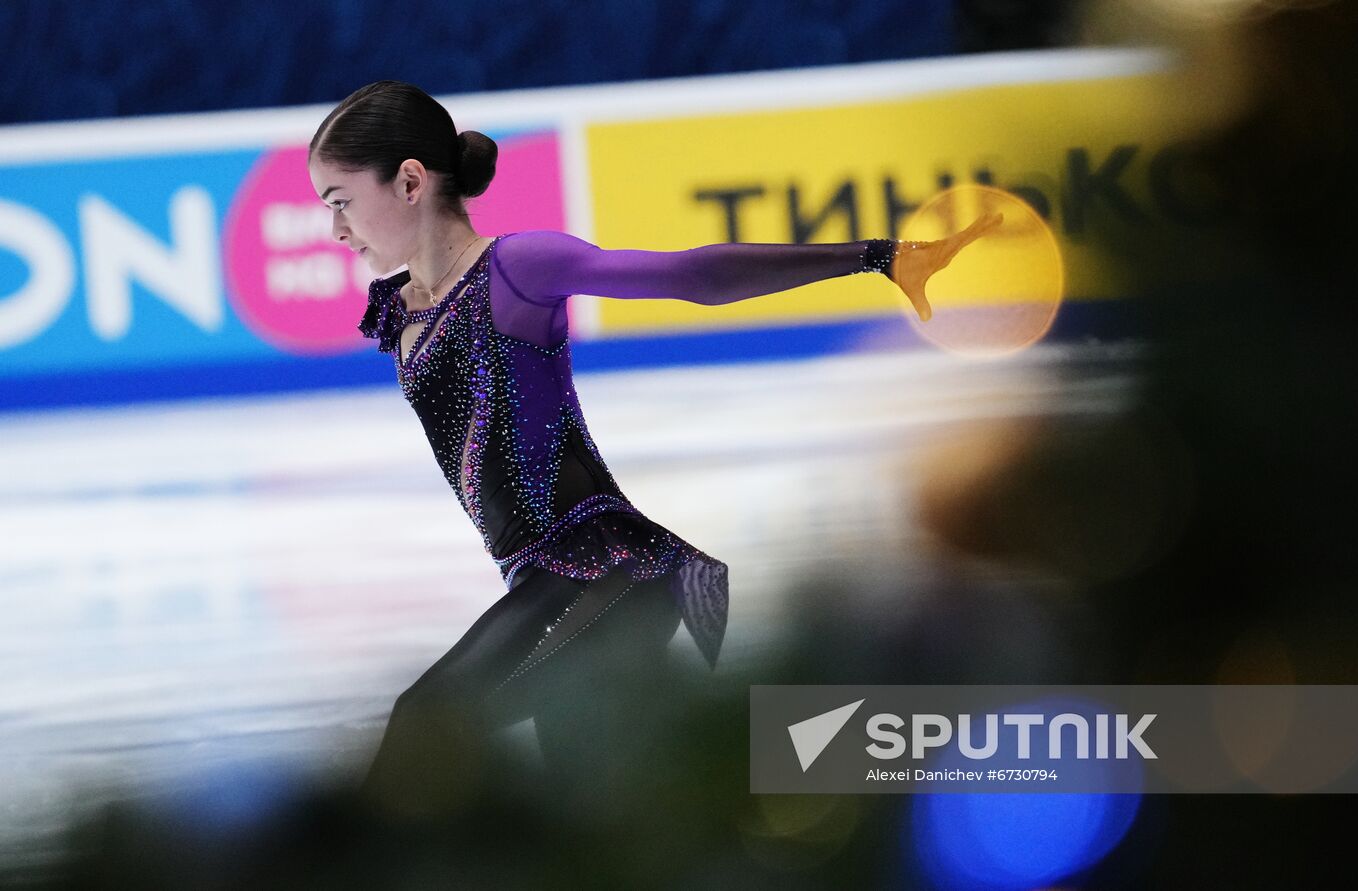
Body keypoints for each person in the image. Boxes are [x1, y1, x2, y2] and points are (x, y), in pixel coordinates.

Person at [306, 80, 999, 807]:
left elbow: (693, 274)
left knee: (428, 721)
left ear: (411, 180)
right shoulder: (403, 310)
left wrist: (876, 256)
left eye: (341, 201)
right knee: (608, 801)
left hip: (607, 570)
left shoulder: (516, 268)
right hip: (547, 582)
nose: (336, 231)